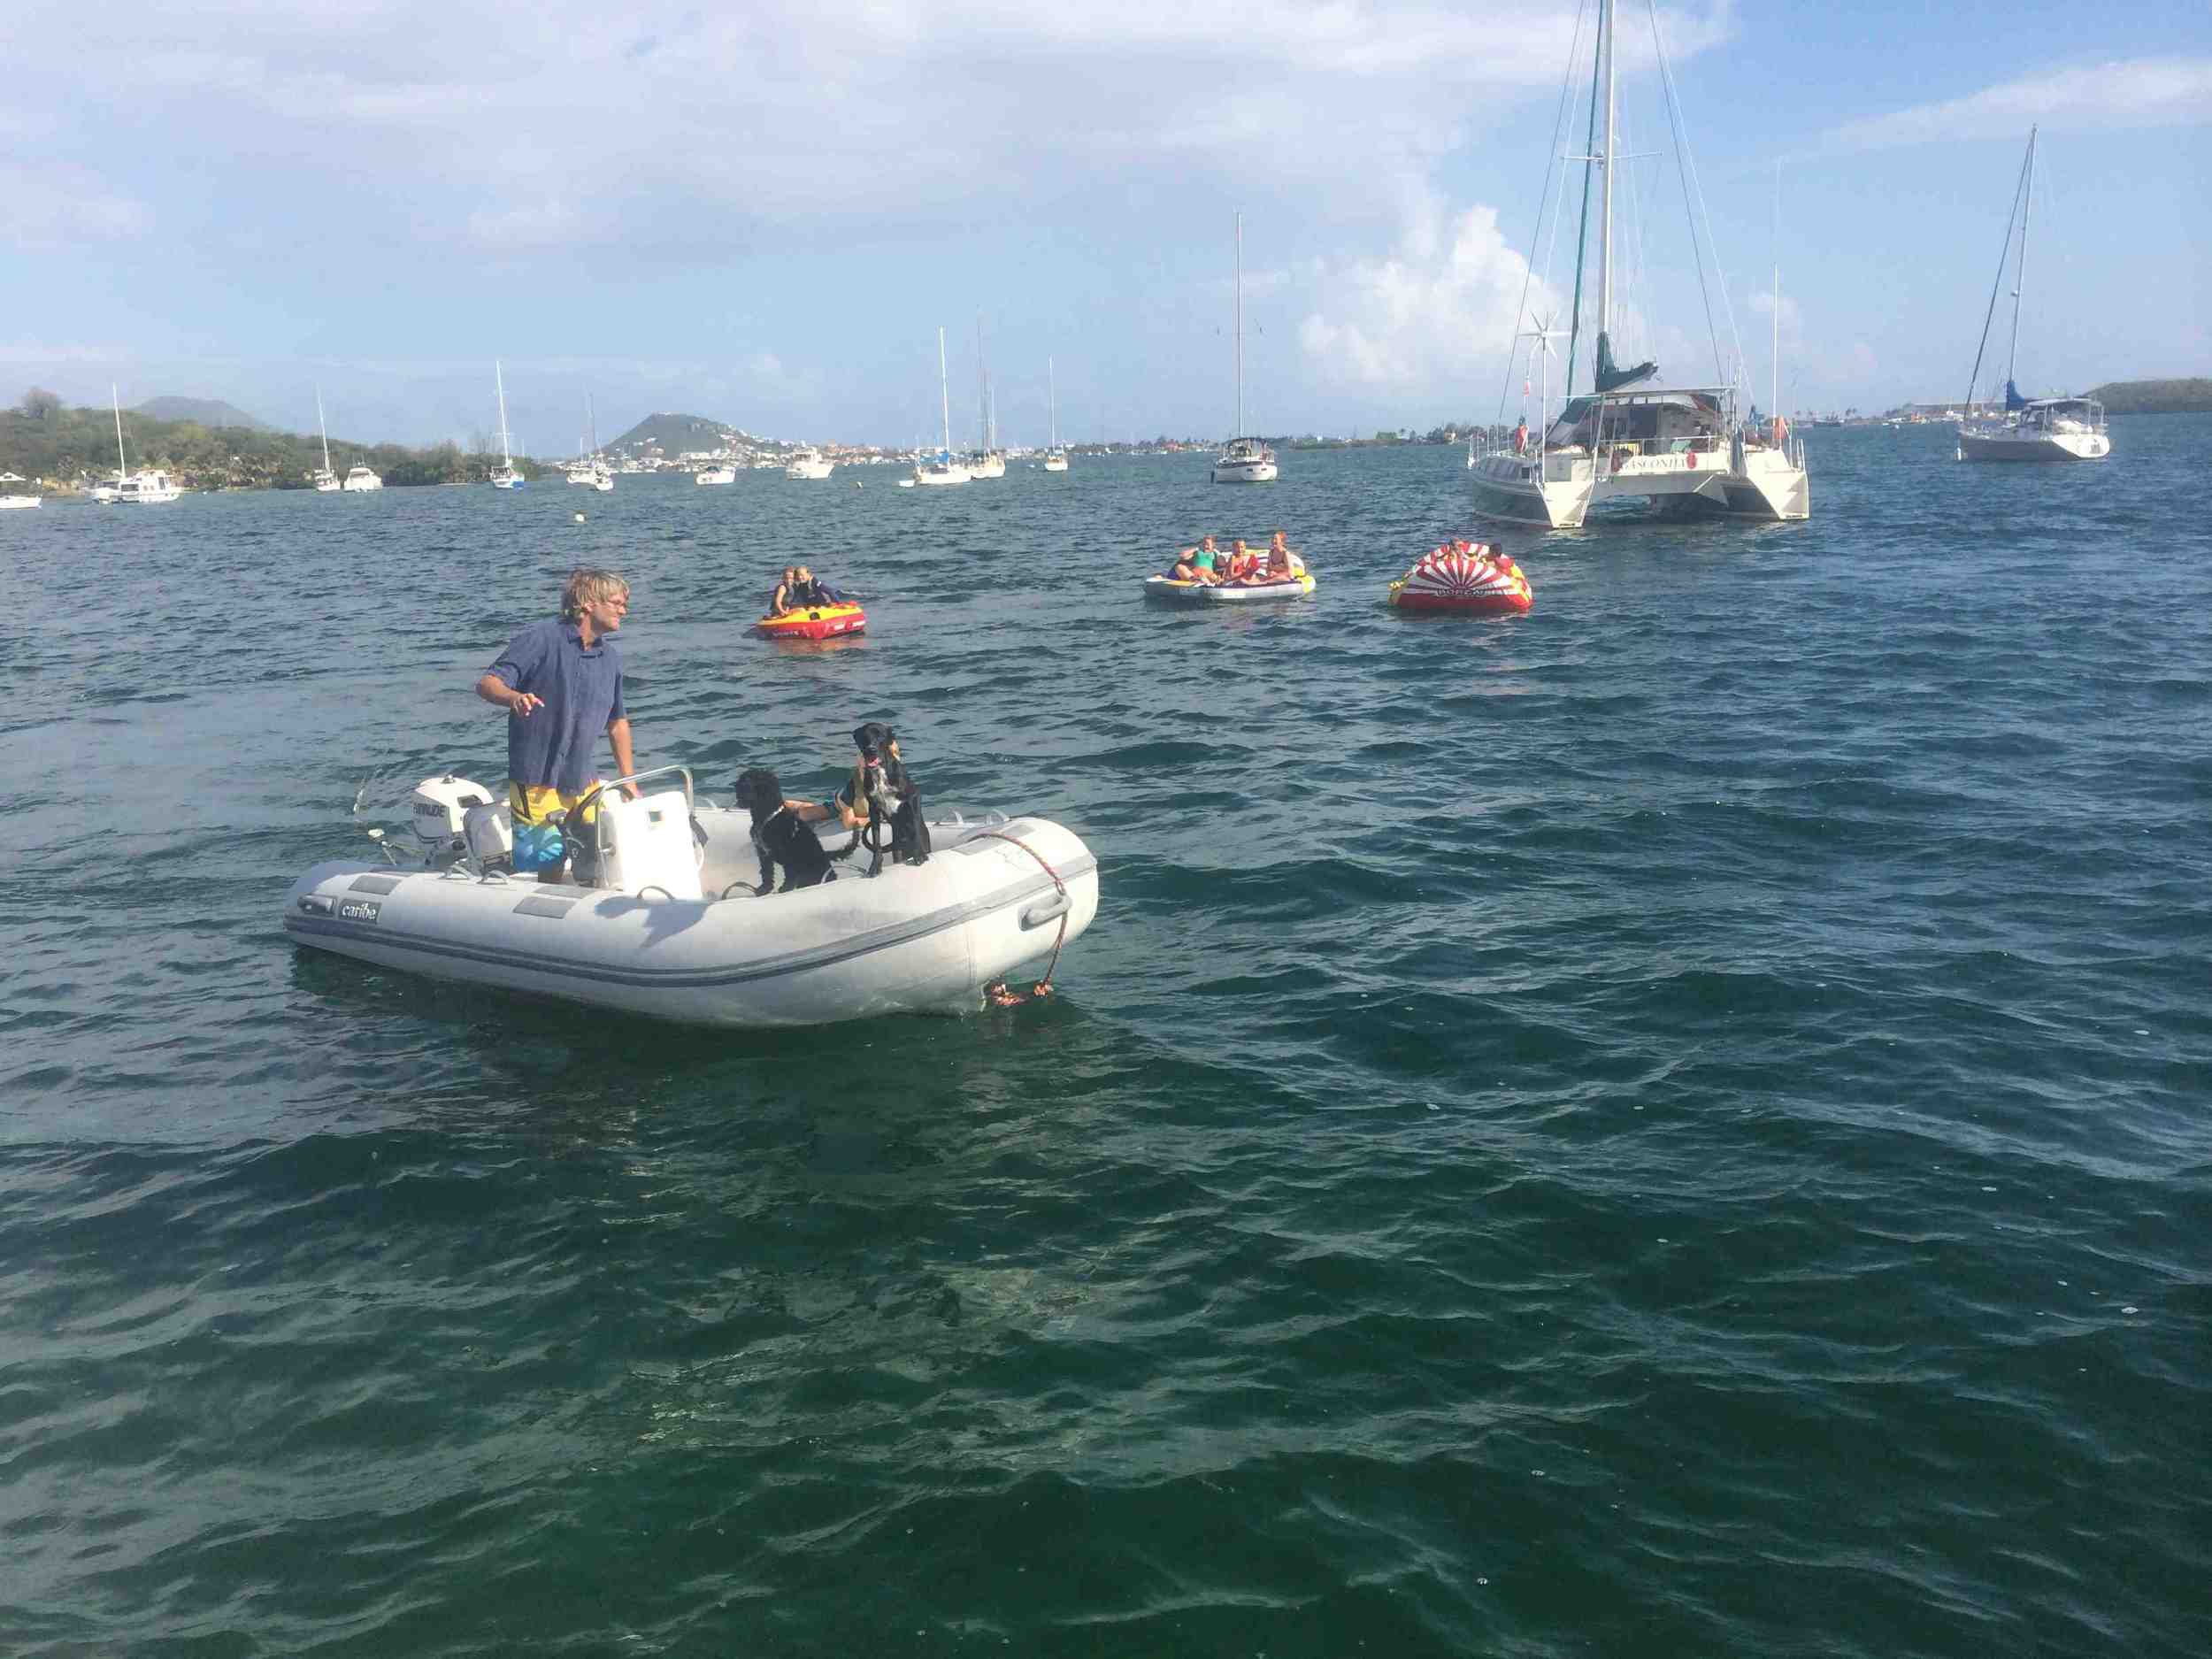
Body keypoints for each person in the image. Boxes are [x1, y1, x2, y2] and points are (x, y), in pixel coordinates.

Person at [476, 568, 638, 880]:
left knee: (596, 853)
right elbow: (488, 683)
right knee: (548, 860)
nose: (624, 610)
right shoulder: (541, 638)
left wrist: (628, 779)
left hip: (583, 779)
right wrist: (513, 697)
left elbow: (617, 723)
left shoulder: (611, 658)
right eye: (617, 603)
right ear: (589, 603)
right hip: (536, 778)